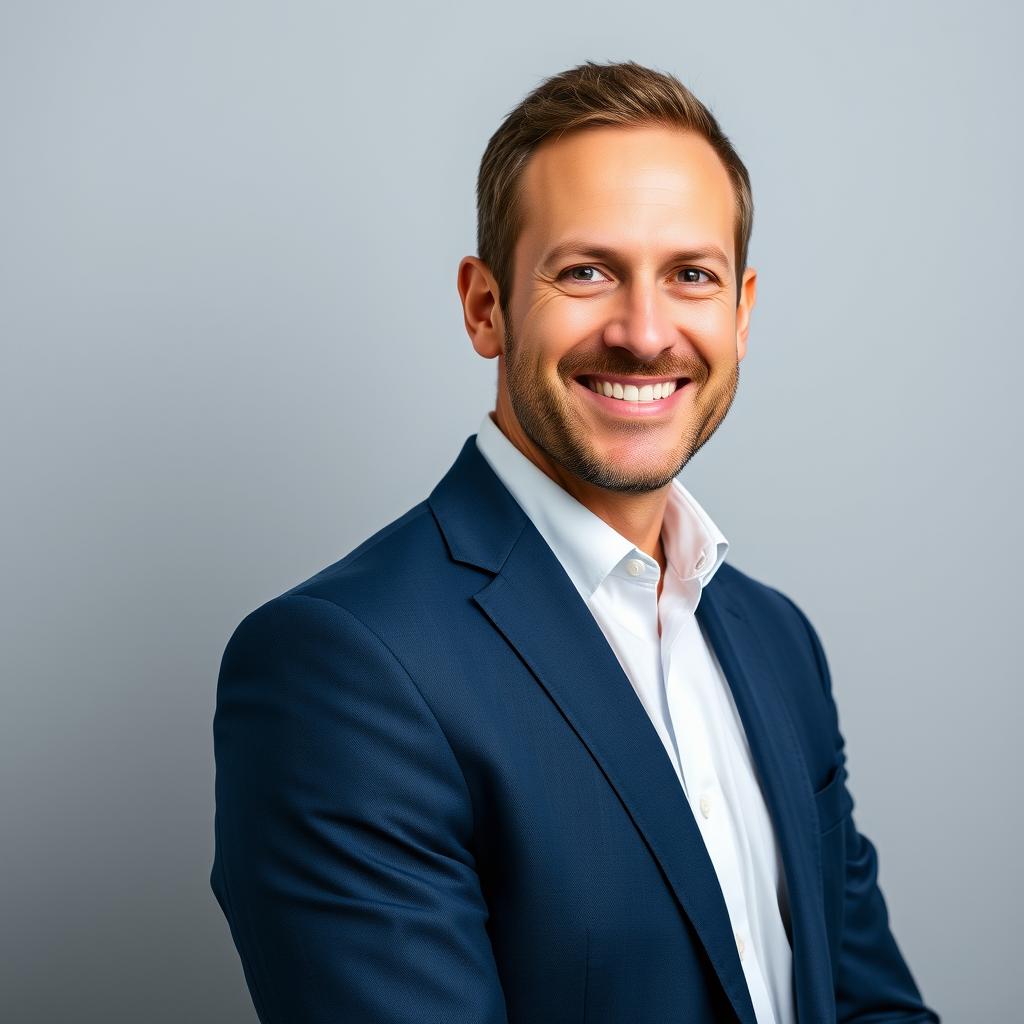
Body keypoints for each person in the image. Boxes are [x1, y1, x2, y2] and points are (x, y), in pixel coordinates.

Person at [211, 60, 940, 1024]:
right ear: (485, 307)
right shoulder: (343, 664)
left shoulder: (777, 641)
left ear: (742, 312)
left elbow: (869, 1007)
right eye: (587, 272)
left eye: (691, 275)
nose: (645, 334)